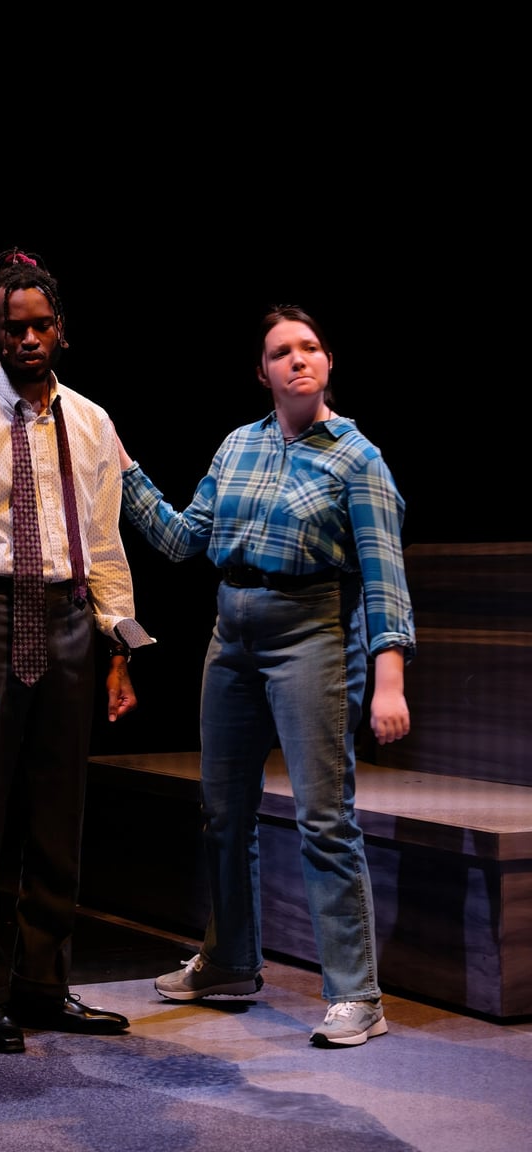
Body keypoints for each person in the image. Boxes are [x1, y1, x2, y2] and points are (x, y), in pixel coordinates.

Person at [112, 303, 416, 1047]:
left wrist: (390, 679)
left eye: (309, 348)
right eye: (282, 352)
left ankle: (357, 994)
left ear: (328, 363)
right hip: (232, 634)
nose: (297, 359)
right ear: (263, 372)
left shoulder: (357, 458)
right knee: (223, 811)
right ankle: (229, 961)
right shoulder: (238, 445)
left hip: (312, 632)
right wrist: (124, 472)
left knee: (324, 817)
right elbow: (184, 541)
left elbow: (385, 576)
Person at [0, 247, 154, 1053]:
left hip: (72, 616)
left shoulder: (91, 420)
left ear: (61, 330)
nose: (29, 339)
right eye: (15, 328)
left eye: (42, 325)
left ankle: (45, 983)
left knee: (59, 808)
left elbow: (106, 545)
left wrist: (121, 651)